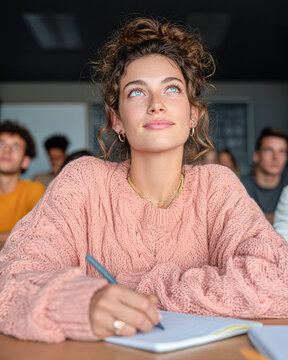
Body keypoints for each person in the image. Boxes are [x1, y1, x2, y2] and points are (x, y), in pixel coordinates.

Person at [0, 17, 288, 344]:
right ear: (118, 119)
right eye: (137, 91)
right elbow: (10, 280)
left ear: (193, 115)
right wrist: (81, 302)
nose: (156, 105)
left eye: (171, 88)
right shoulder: (83, 182)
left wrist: (140, 288)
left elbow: (279, 280)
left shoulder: (217, 187)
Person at [0, 120, 45, 248]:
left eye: (15, 147)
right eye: (1, 144)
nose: (7, 150)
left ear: (25, 161)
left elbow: (41, 234)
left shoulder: (34, 190)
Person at [241, 127, 288, 224]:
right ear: (256, 156)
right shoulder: (240, 186)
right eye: (269, 150)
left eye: (281, 152)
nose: (276, 157)